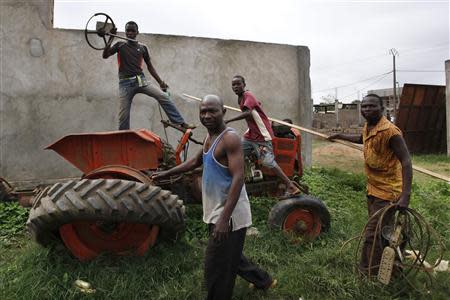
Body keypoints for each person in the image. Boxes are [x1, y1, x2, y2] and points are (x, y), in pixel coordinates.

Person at [152, 95, 275, 299]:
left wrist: (224, 219)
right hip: (217, 210)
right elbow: (194, 162)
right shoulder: (210, 138)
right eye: (203, 111)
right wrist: (165, 174)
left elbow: (238, 178)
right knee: (231, 256)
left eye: (212, 111)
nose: (207, 115)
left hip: (230, 214)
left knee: (215, 266)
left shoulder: (230, 138)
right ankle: (264, 281)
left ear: (223, 112)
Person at [328, 93, 412, 276]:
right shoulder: (369, 126)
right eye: (364, 106)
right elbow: (362, 139)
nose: (366, 110)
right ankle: (392, 266)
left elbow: (406, 161)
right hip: (373, 189)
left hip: (388, 192)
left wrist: (405, 195)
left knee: (371, 235)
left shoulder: (391, 132)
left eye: (371, 106)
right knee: (383, 231)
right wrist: (340, 135)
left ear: (381, 108)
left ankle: (368, 274)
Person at [102, 21, 194, 130]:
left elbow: (150, 67)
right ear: (125, 32)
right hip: (125, 84)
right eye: (128, 31)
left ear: (137, 32)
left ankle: (180, 123)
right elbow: (105, 55)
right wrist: (110, 37)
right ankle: (123, 137)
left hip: (141, 81)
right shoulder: (120, 45)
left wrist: (160, 82)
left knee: (163, 96)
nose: (130, 33)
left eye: (133, 31)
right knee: (123, 115)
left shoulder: (142, 48)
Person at [225, 75, 300, 197]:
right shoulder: (240, 98)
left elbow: (248, 112)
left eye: (238, 84)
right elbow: (255, 107)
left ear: (244, 84)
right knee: (236, 150)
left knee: (267, 162)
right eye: (233, 85)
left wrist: (228, 121)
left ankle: (290, 185)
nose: (236, 86)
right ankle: (242, 179)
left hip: (261, 136)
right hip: (251, 135)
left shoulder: (248, 95)